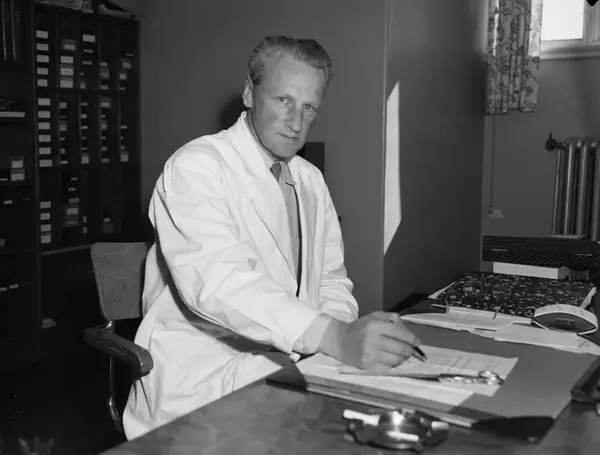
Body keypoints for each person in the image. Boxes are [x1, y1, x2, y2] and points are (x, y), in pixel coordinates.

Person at [123, 35, 420, 439]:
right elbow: (219, 283)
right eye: (284, 100)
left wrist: (337, 344)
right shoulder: (196, 168)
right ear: (249, 92)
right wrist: (333, 337)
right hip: (201, 382)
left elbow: (331, 279)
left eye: (309, 107)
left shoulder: (310, 180)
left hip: (290, 368)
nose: (297, 122)